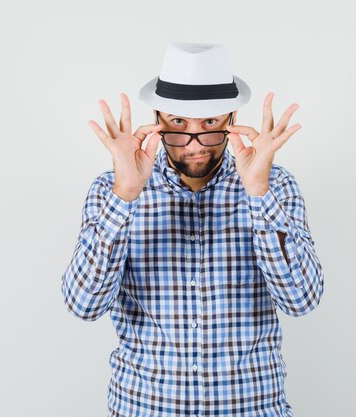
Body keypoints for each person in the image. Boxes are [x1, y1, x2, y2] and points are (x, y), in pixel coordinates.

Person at [60, 42, 324, 417]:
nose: (195, 143)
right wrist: (125, 196)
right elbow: (83, 305)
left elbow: (302, 300)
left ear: (232, 118)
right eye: (179, 123)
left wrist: (259, 194)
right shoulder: (112, 189)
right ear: (157, 119)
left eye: (211, 123)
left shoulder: (274, 186)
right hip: (147, 407)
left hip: (250, 408)